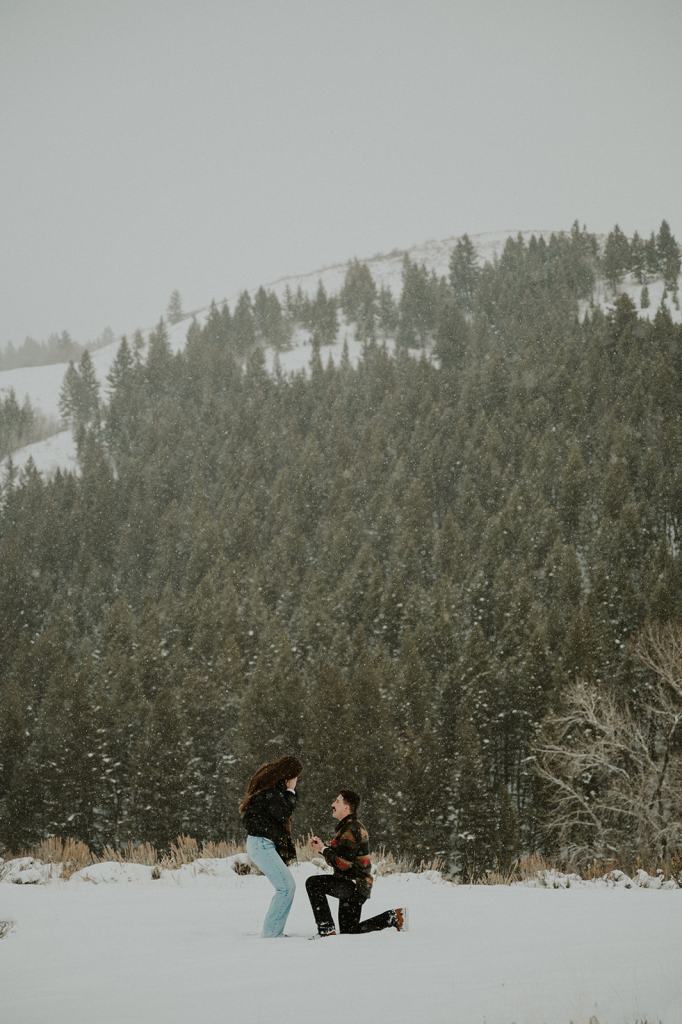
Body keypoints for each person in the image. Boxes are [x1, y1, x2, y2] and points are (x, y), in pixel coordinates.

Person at [306, 789, 408, 937]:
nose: (332, 804)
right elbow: (343, 860)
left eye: (337, 802)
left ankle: (326, 929)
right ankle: (393, 917)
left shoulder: (351, 829)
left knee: (313, 883)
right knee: (350, 931)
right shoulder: (349, 827)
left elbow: (344, 864)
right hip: (356, 887)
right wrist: (324, 848)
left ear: (346, 808)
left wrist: (323, 849)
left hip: (353, 886)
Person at [240, 755, 302, 938]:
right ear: (289, 776)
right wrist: (291, 791)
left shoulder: (270, 791)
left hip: (261, 843)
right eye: (297, 777)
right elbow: (283, 812)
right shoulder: (273, 793)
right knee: (286, 887)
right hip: (261, 844)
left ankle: (273, 932)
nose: (297, 781)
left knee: (286, 887)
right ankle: (272, 934)